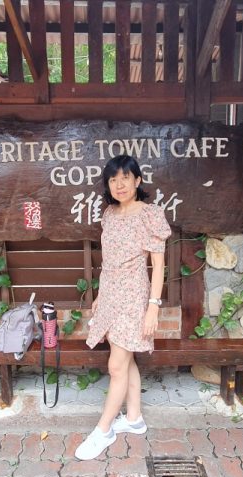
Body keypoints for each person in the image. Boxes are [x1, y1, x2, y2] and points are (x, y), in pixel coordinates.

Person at [73, 155, 171, 461]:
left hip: (134, 296)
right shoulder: (109, 214)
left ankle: (103, 431)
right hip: (111, 294)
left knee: (116, 365)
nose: (120, 185)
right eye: (113, 180)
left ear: (137, 181)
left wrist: (153, 308)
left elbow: (158, 266)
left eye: (125, 178)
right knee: (125, 360)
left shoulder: (150, 215)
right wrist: (101, 295)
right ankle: (134, 418)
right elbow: (109, 261)